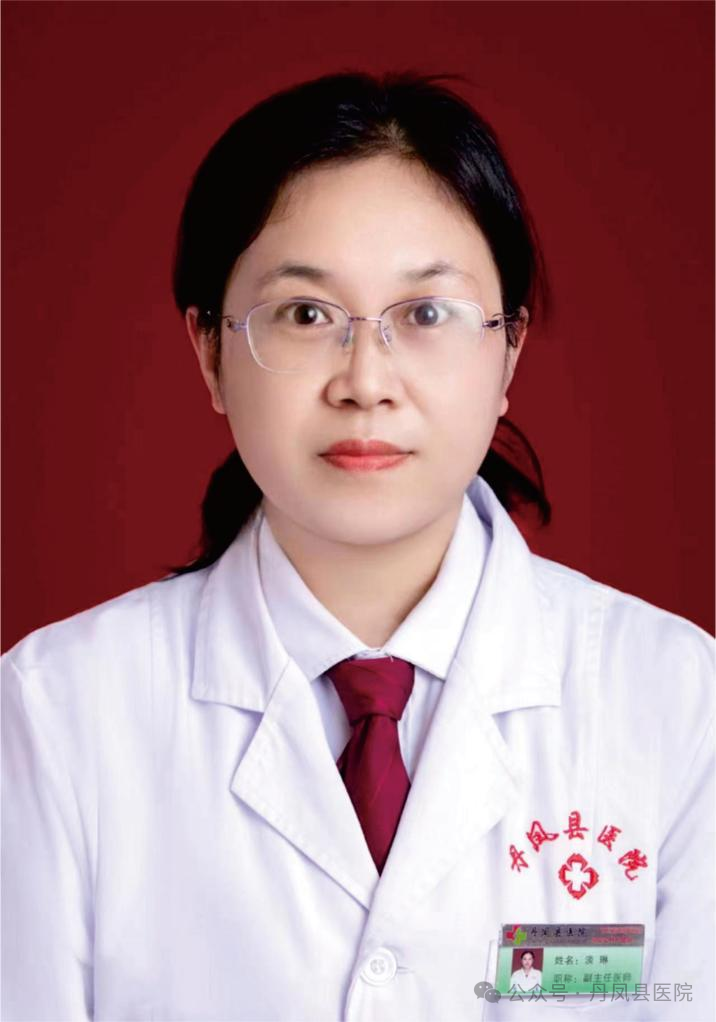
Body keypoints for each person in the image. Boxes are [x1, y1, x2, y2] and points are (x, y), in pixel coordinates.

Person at [1, 71, 713, 1022]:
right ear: (209, 351)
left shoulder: (678, 701)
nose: (366, 381)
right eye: (305, 315)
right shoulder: (54, 714)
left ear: (509, 350)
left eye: (425, 314)